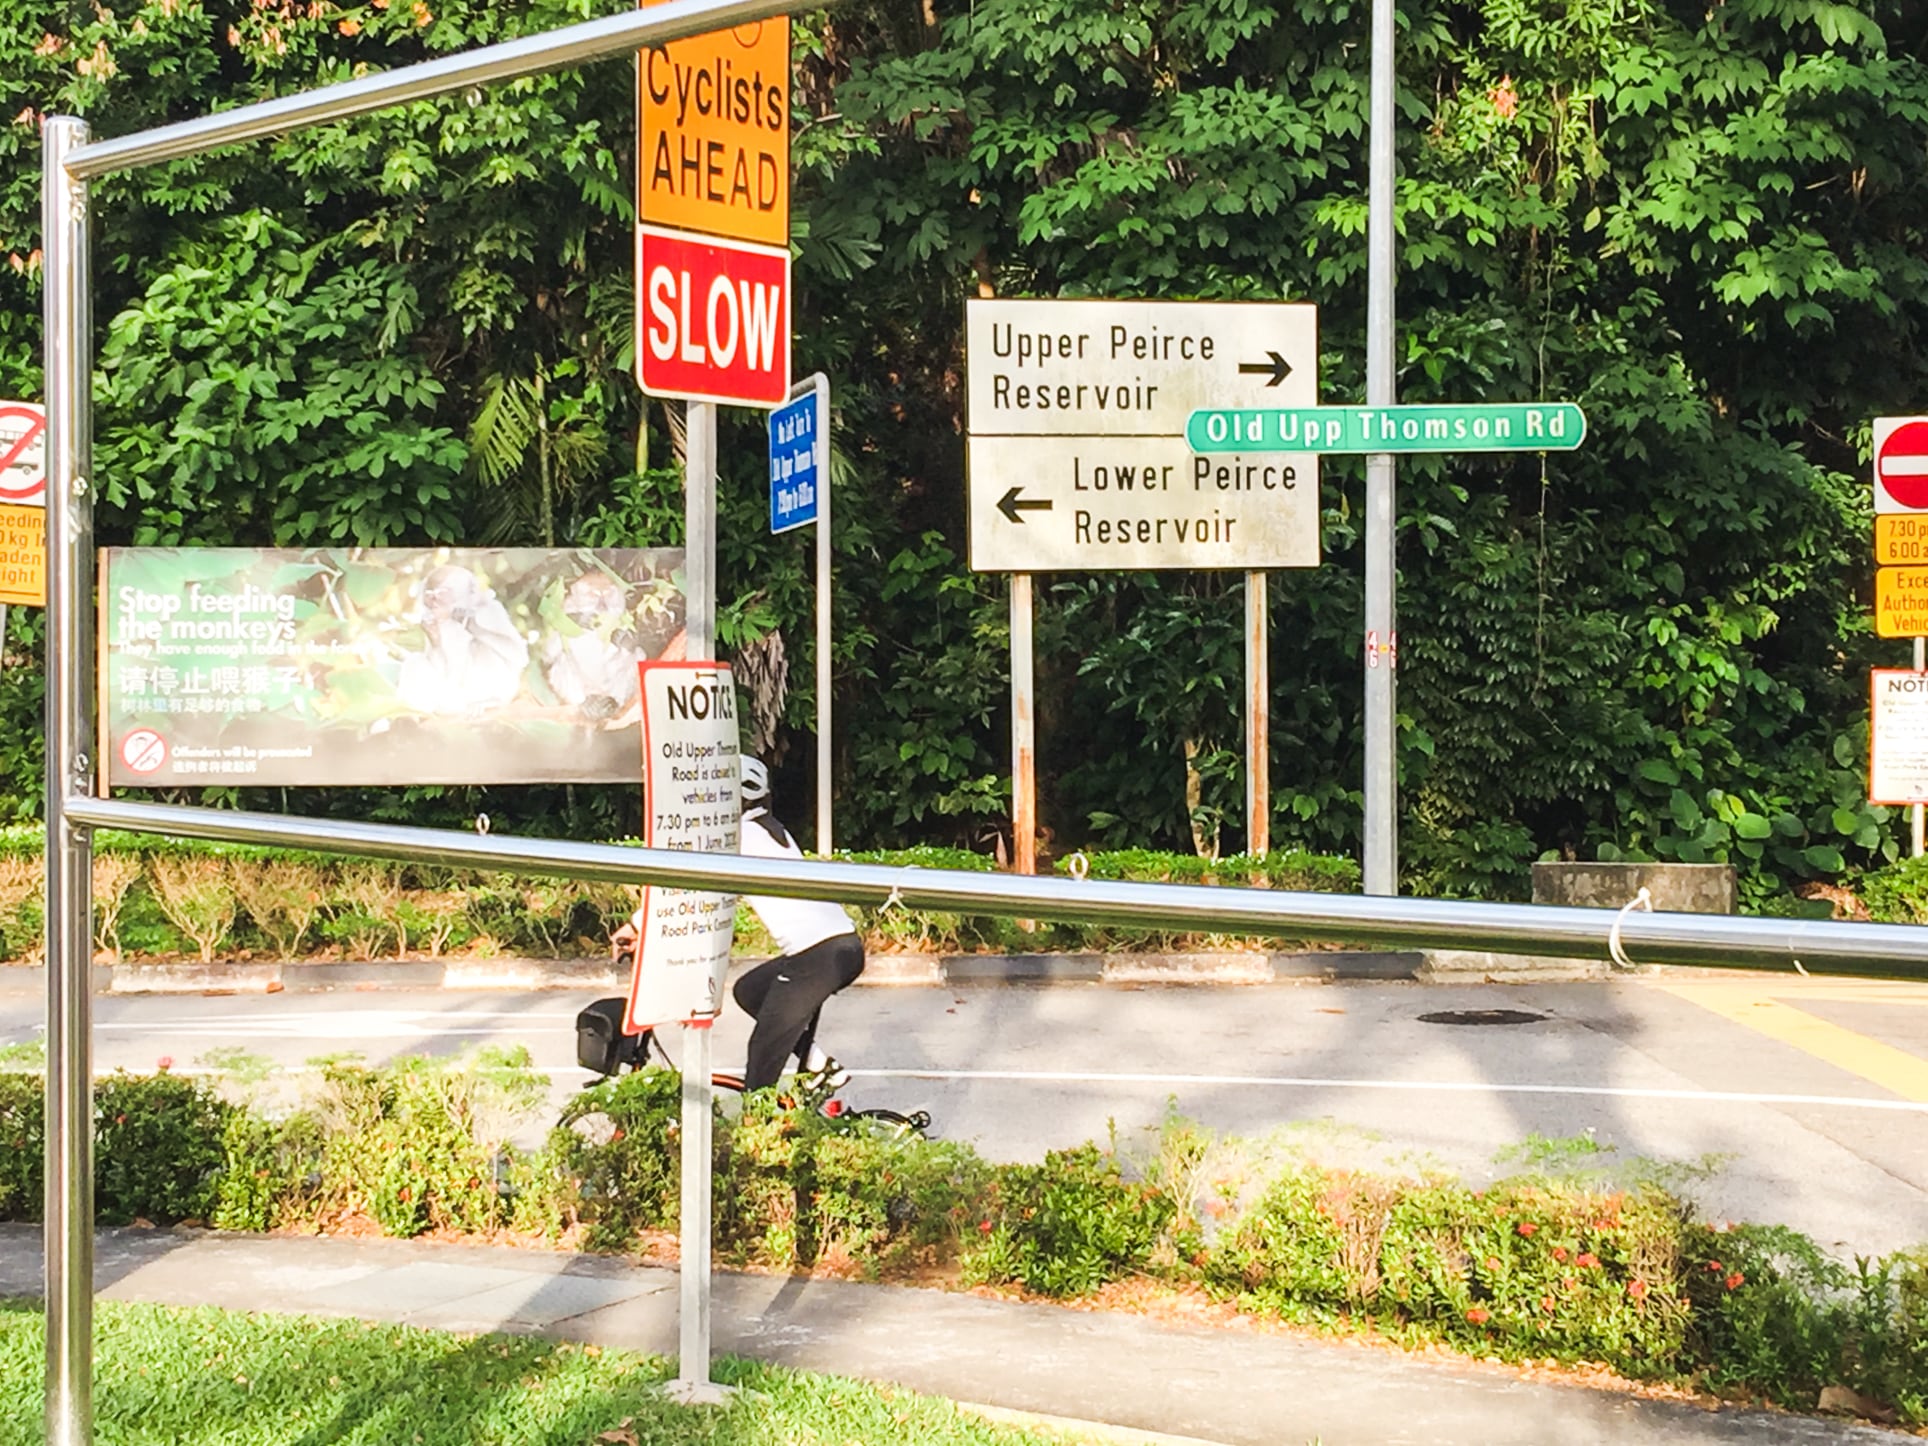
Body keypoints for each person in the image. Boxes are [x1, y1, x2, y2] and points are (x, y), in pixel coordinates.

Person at [612, 756, 864, 1091]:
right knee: (751, 990)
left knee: (762, 1057)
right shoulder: (767, 828)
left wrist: (637, 925)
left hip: (817, 956)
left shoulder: (739, 835)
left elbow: (691, 887)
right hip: (839, 946)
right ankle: (818, 1063)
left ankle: (757, 1132)